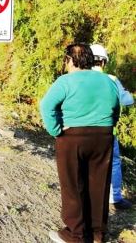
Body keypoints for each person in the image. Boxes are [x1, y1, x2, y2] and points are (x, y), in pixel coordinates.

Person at [40, 44, 120, 243]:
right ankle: (97, 234)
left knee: (73, 185)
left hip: (72, 138)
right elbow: (116, 108)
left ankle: (75, 235)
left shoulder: (65, 81)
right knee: (99, 185)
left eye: (65, 60)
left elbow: (46, 106)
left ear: (69, 59)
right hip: (103, 137)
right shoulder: (107, 81)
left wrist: (55, 130)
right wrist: (106, 127)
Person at [91, 44, 134, 210]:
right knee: (113, 162)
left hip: (79, 130)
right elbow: (127, 100)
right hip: (105, 131)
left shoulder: (76, 78)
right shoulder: (111, 80)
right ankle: (114, 198)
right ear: (103, 62)